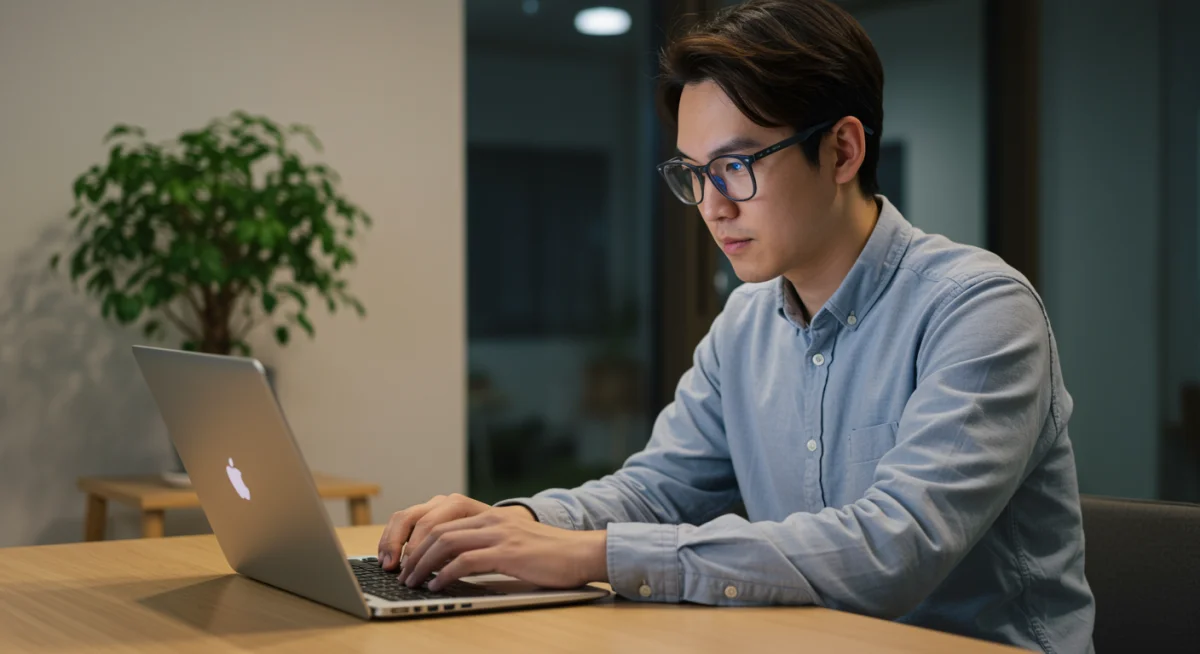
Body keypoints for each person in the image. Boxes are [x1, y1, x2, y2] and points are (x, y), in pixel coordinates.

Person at [379, 0, 1095, 650]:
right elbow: (658, 491)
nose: (712, 206)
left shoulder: (979, 309)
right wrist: (514, 527)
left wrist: (594, 554)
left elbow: (893, 548)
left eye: (737, 165)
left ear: (843, 150)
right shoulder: (746, 323)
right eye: (695, 173)